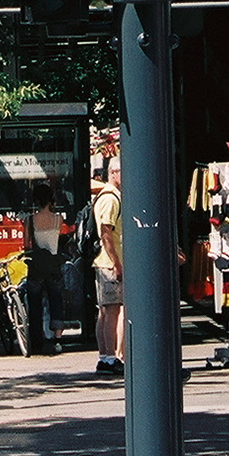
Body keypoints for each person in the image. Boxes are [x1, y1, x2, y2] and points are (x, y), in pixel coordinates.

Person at [25, 181, 66, 355]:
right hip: (54, 264)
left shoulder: (30, 219)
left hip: (36, 266)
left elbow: (26, 244)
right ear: (51, 200)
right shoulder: (58, 219)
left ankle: (37, 341)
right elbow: (60, 238)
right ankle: (57, 339)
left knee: (35, 304)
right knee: (55, 300)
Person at [93, 160, 124, 376]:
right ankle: (112, 357)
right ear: (113, 173)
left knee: (105, 311)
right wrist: (116, 262)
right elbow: (105, 231)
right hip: (109, 263)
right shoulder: (111, 199)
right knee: (113, 310)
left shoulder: (104, 195)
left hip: (103, 262)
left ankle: (105, 356)